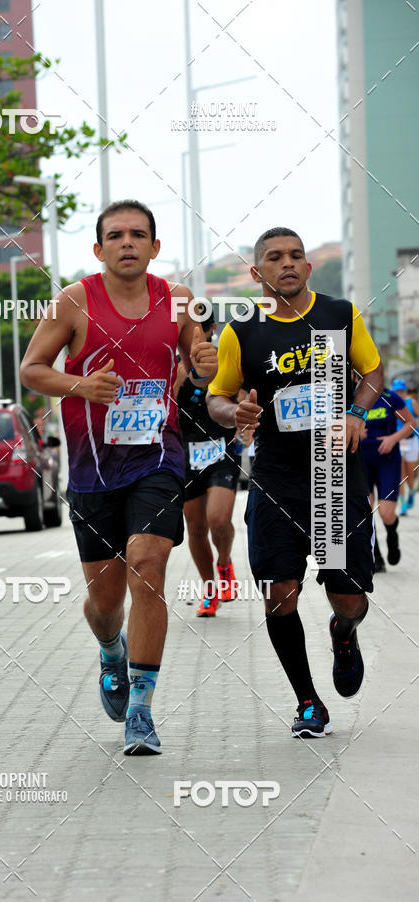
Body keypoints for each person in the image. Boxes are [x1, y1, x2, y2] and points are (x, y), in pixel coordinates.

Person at [20, 199, 217, 755]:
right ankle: (111, 648)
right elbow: (32, 370)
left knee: (149, 564)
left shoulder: (177, 300)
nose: (127, 242)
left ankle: (142, 709)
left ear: (155, 247)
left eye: (138, 235)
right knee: (105, 602)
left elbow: (198, 358)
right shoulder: (75, 301)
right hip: (92, 468)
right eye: (116, 235)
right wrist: (81, 386)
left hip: (159, 457)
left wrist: (203, 362)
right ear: (99, 248)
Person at [207, 226, 384, 739]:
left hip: (334, 471)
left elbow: (370, 371)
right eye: (274, 257)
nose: (287, 263)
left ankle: (343, 634)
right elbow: (219, 396)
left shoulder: (338, 315)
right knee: (278, 590)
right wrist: (233, 410)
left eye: (296, 256)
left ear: (308, 267)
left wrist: (356, 410)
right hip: (277, 477)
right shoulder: (243, 330)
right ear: (258, 273)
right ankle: (308, 702)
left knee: (348, 599)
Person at [174, 307, 241, 615]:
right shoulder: (172, 365)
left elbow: (240, 399)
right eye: (187, 327)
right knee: (197, 528)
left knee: (218, 519)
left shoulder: (225, 360)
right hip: (186, 456)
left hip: (222, 452)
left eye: (199, 327)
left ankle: (225, 562)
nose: (194, 333)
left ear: (213, 327)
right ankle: (209, 588)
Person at [360, 384, 417, 570]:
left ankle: (392, 533)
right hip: (362, 461)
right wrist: (354, 429)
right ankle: (376, 556)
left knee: (385, 512)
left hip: (388, 460)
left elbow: (411, 423)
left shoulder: (390, 397)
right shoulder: (352, 396)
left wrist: (393, 439)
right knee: (365, 512)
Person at [391, 378, 419, 515]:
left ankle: (412, 494)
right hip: (398, 442)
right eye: (396, 391)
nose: (399, 393)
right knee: (400, 475)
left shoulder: (411, 403)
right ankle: (402, 506)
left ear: (405, 391)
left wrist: (412, 425)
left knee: (410, 474)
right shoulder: (390, 403)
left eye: (401, 391)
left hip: (412, 441)